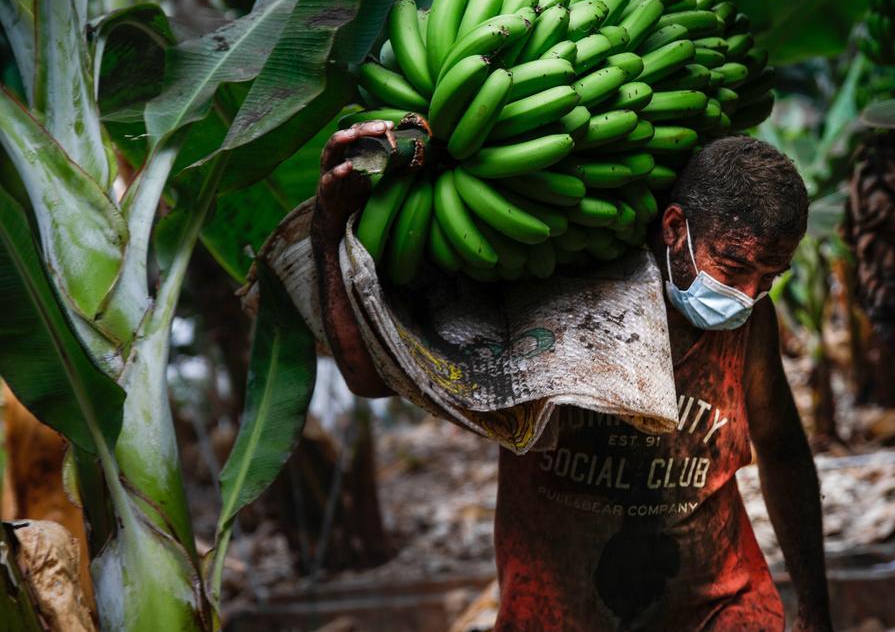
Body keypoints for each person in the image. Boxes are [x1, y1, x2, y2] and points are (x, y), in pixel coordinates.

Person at [315, 123, 832, 631]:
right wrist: (330, 227)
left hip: (719, 606)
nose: (747, 294)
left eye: (769, 278)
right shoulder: (551, 291)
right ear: (675, 228)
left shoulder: (749, 321)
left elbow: (781, 446)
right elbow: (369, 378)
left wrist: (814, 608)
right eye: (734, 267)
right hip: (557, 610)